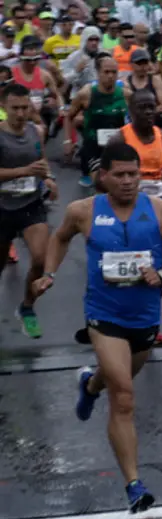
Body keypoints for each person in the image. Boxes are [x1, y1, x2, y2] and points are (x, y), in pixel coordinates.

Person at [34, 140, 162, 513]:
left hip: (145, 317)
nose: (127, 181)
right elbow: (59, 238)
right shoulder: (83, 211)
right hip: (103, 316)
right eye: (119, 175)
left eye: (133, 174)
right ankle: (134, 484)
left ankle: (90, 384)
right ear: (103, 176)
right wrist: (49, 273)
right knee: (123, 396)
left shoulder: (161, 210)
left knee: (116, 379)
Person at [0, 81, 58, 339]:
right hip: (2, 207)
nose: (21, 113)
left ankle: (27, 307)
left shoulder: (35, 131)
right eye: (15, 108)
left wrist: (49, 179)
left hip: (30, 204)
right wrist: (24, 171)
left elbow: (41, 161)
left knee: (40, 259)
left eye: (25, 108)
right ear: (3, 106)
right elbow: (28, 168)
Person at [65, 54, 125, 188]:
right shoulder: (86, 94)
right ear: (98, 73)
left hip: (117, 147)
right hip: (93, 148)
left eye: (114, 72)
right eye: (106, 72)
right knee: (101, 184)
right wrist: (68, 141)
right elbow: (69, 117)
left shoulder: (125, 94)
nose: (110, 76)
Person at [12, 36, 59, 127]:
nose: (32, 62)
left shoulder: (45, 71)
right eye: (28, 60)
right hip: (19, 115)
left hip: (41, 113)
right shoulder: (12, 72)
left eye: (35, 59)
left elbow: (57, 93)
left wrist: (58, 105)